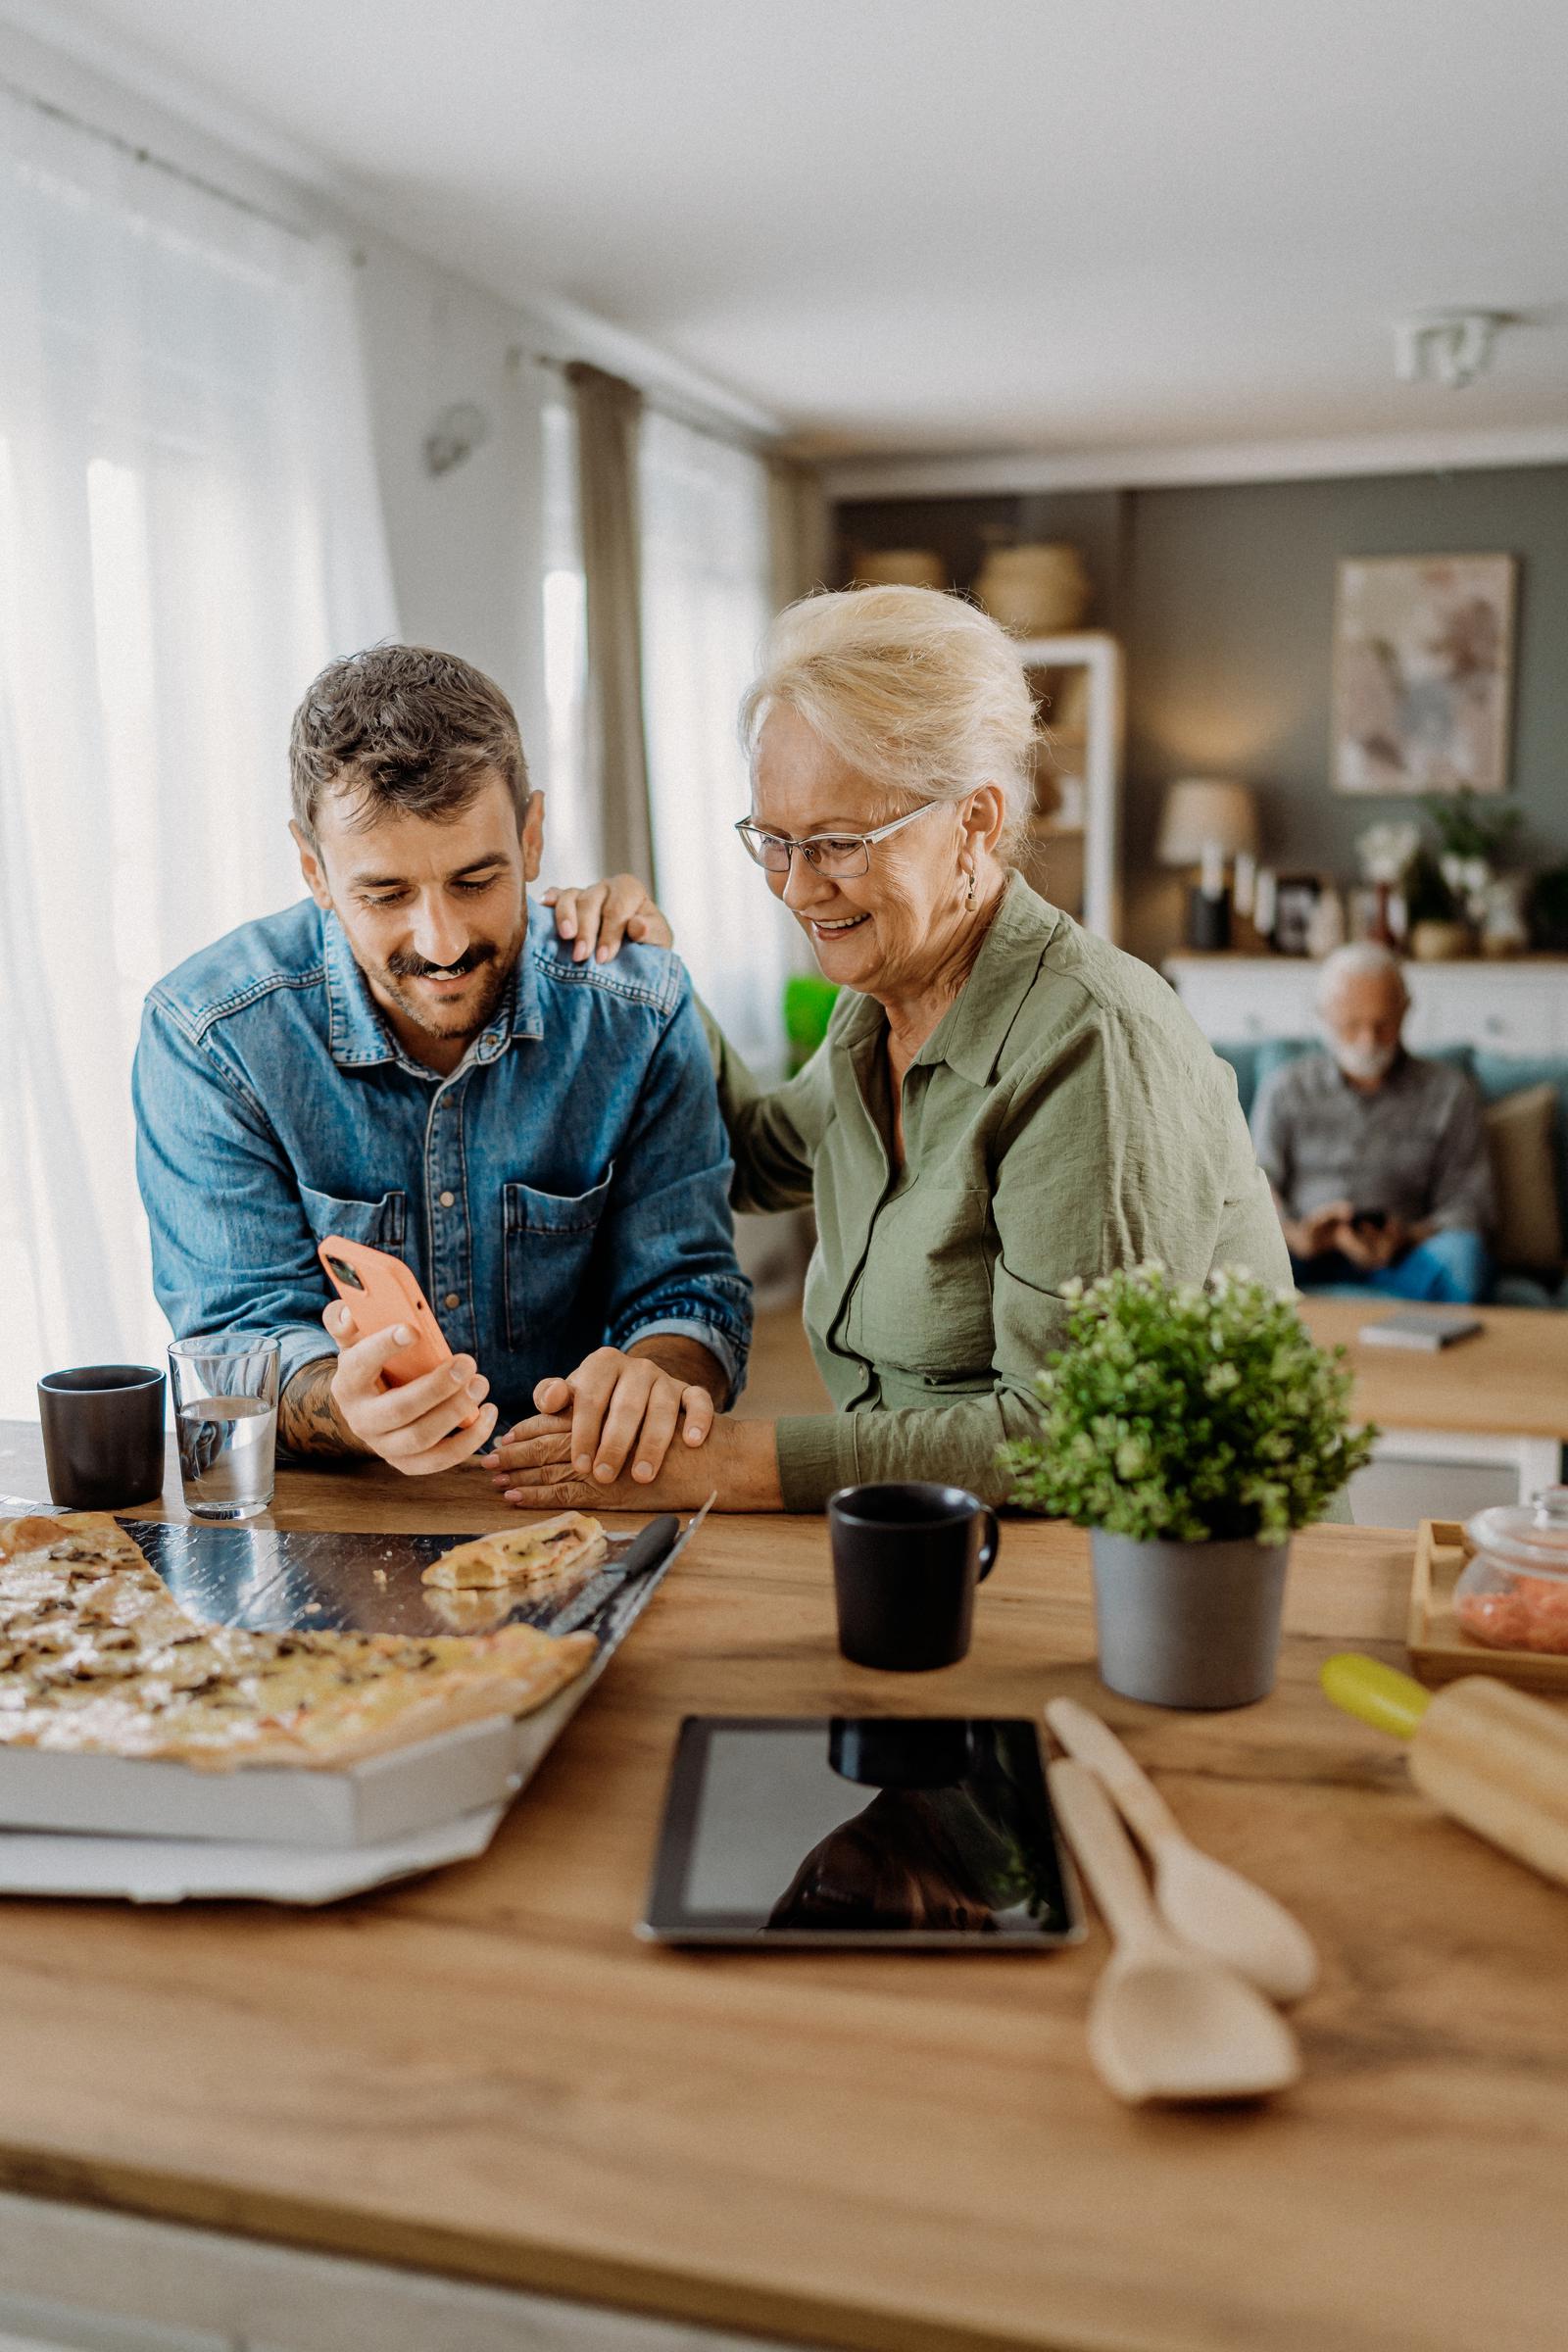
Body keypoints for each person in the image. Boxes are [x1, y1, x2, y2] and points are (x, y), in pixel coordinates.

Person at [496, 584, 1290, 1515]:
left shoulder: (1089, 1043)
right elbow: (749, 1158)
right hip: (935, 1540)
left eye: (838, 843)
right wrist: (654, 971)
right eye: (774, 842)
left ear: (977, 823)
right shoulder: (877, 1008)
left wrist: (726, 1464)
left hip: (1165, 1577)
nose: (796, 890)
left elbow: (1065, 1434)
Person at [133, 646, 750, 1481]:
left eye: (475, 880)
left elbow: (688, 1292)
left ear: (531, 837)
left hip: (585, 1494)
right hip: (341, 1512)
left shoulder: (636, 1009)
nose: (443, 943)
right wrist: (344, 1405)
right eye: (386, 895)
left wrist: (659, 1375)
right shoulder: (211, 1035)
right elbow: (237, 1334)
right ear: (315, 869)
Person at [1250, 942, 1494, 1302]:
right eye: (1351, 1025)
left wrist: (1407, 1236)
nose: (1368, 1042)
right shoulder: (1286, 1088)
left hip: (1406, 1257)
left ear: (1405, 1010)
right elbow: (1255, 1182)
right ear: (1324, 1016)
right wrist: (1294, 1233)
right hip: (1305, 1252)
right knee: (1244, 1257)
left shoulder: (1449, 1092)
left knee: (1465, 1258)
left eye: (1383, 1025)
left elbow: (1470, 1203)